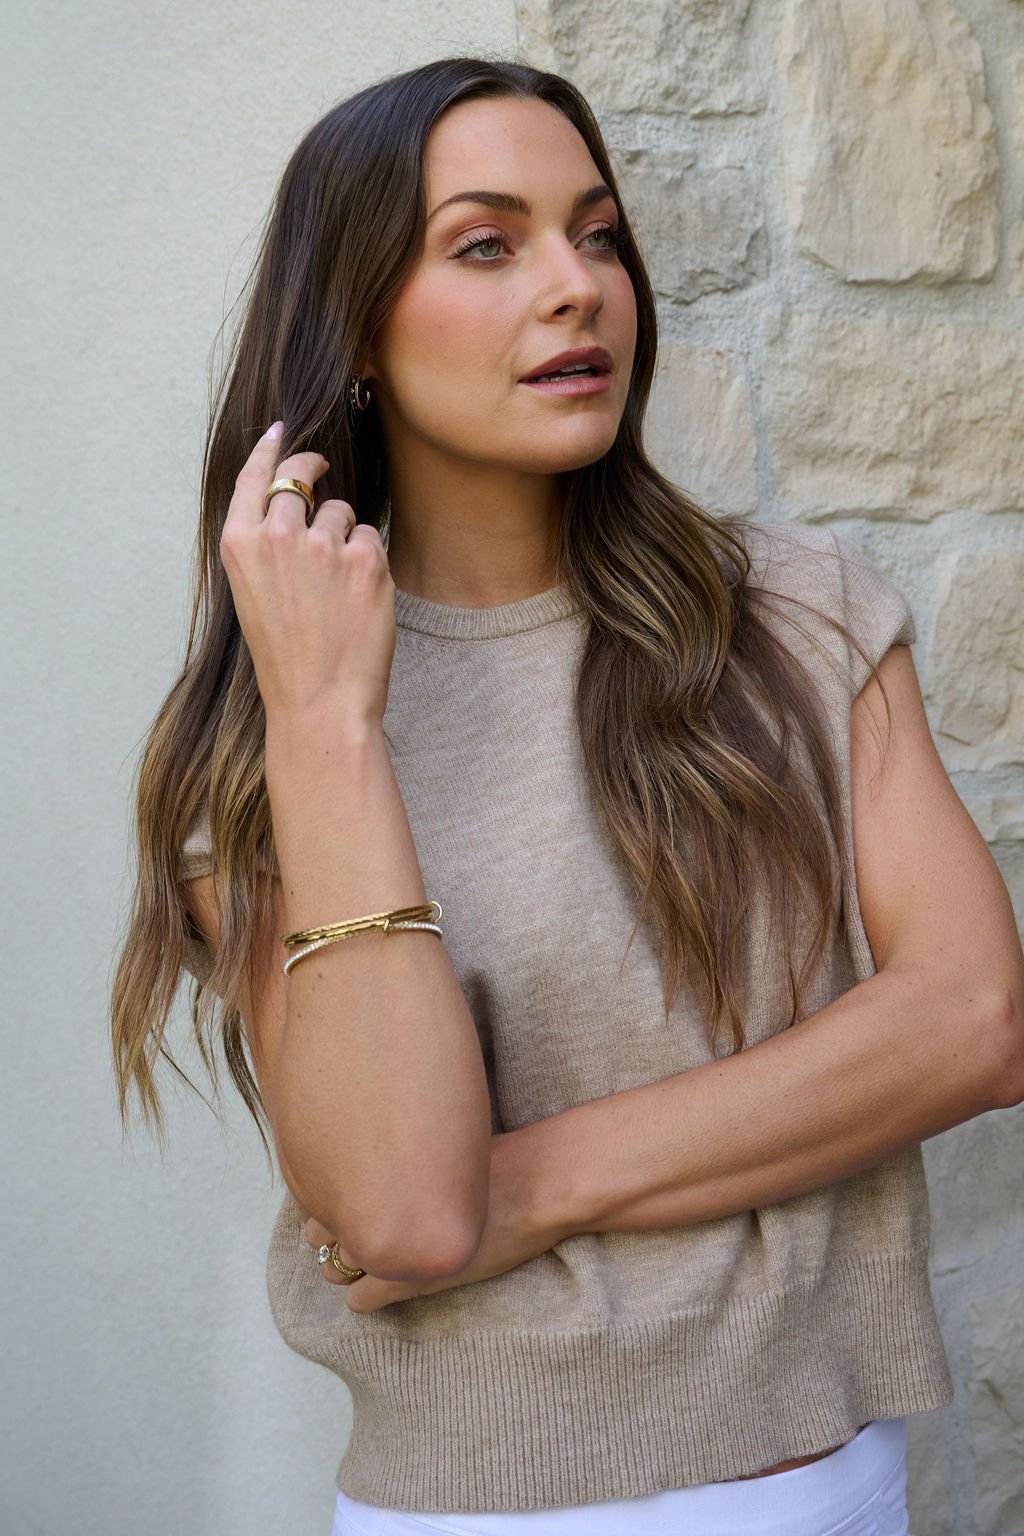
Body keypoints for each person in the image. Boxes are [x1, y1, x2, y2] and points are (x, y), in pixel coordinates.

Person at [110, 55, 1024, 1536]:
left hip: (822, 1486)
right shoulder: (263, 737)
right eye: (490, 243)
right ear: (353, 328)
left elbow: (976, 1024)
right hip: (471, 1513)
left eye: (597, 234)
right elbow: (405, 1213)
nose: (578, 286)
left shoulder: (795, 614)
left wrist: (528, 1190)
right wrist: (331, 719)